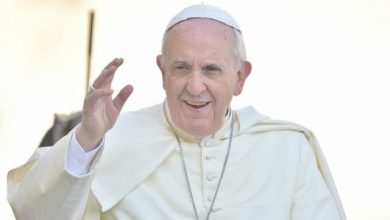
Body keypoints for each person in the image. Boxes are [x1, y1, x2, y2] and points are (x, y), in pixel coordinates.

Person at [7, 4, 346, 220]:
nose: (195, 86)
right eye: (182, 68)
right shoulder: (110, 141)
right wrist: (86, 138)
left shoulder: (288, 150)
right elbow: (36, 214)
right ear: (162, 71)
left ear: (240, 77)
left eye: (211, 70)